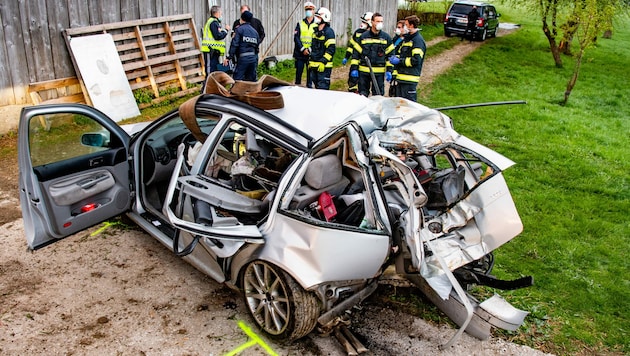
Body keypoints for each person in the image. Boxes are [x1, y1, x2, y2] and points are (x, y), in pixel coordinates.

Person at [350, 12, 394, 97]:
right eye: (377, 21)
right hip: (364, 72)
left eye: (381, 21)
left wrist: (389, 70)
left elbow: (390, 56)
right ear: (372, 22)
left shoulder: (386, 38)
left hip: (379, 73)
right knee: (363, 95)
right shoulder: (363, 37)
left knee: (378, 96)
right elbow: (355, 55)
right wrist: (354, 69)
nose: (380, 23)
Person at [389, 15, 426, 102]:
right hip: (400, 79)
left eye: (405, 24)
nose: (404, 27)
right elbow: (399, 55)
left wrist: (399, 61)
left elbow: (416, 60)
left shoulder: (417, 41)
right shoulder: (406, 40)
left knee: (409, 108)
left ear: (411, 25)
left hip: (409, 80)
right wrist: (394, 72)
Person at [201, 6, 230, 88]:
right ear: (217, 13)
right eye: (220, 13)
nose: (221, 15)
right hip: (209, 51)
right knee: (210, 72)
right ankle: (205, 91)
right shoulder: (213, 22)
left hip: (214, 52)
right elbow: (218, 36)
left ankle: (213, 90)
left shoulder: (215, 22)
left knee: (214, 72)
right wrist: (226, 30)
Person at [343, 12, 372, 93]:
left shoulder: (373, 35)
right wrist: (346, 57)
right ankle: (353, 92)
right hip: (356, 60)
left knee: (364, 84)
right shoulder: (358, 32)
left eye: (364, 22)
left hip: (366, 63)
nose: (362, 24)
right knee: (352, 80)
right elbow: (351, 46)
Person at [308, 7, 335, 90]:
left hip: (324, 67)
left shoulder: (329, 32)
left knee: (323, 90)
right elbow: (313, 48)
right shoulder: (315, 32)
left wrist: (323, 62)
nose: (316, 18)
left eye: (318, 17)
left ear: (325, 18)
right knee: (316, 90)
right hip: (314, 66)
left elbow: (331, 50)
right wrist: (310, 61)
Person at [229, 11, 260, 81]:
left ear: (242, 19)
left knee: (237, 80)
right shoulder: (255, 32)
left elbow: (234, 44)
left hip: (243, 59)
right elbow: (257, 48)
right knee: (251, 80)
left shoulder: (239, 30)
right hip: (253, 59)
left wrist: (229, 57)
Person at [293, 2, 318, 87]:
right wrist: (303, 49)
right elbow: (296, 38)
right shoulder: (300, 23)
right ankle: (297, 89)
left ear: (314, 11)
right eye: (307, 9)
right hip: (300, 53)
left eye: (310, 9)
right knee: (298, 73)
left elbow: (317, 39)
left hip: (311, 53)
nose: (308, 11)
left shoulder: (317, 24)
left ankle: (309, 88)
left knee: (310, 75)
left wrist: (309, 49)